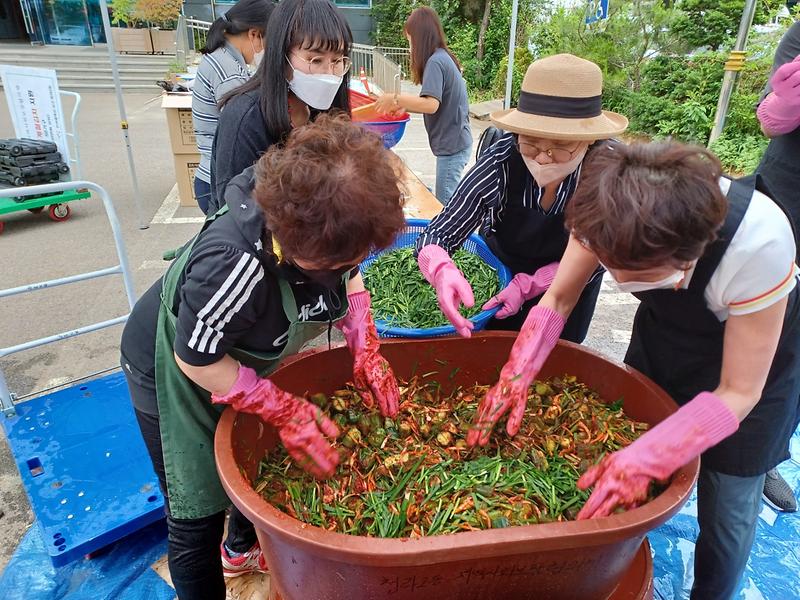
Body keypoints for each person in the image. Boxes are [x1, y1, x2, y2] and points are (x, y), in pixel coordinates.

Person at [468, 140, 800, 599]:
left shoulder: (759, 241)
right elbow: (560, 297)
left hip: (757, 360)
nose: (620, 284)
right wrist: (517, 374)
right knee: (637, 439)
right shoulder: (605, 206)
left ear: (686, 257)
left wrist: (654, 453)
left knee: (728, 503)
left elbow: (740, 391)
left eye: (638, 275)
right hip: (668, 338)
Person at [120, 114, 405, 599]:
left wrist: (364, 334)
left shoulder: (324, 224)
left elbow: (348, 267)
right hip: (173, 367)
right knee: (196, 515)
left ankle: (241, 550)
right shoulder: (235, 264)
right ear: (293, 241)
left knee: (252, 469)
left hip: (237, 352)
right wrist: (284, 408)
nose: (345, 269)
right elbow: (197, 357)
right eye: (333, 263)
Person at [414, 54, 628, 340]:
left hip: (572, 287)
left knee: (561, 365)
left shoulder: (608, 174)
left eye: (560, 145)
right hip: (503, 276)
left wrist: (535, 283)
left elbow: (607, 251)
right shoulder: (501, 161)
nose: (542, 157)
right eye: (530, 141)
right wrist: (441, 269)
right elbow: (439, 233)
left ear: (590, 139)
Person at [209, 0, 352, 211]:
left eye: (338, 60)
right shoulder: (245, 118)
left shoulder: (319, 110)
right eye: (315, 60)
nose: (329, 73)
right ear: (281, 55)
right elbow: (235, 213)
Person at [755, 20, 800, 513]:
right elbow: (768, 116)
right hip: (788, 203)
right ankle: (752, 454)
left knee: (794, 362)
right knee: (771, 333)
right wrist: (780, 107)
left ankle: (769, 450)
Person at [373, 6, 472, 205]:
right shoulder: (443, 56)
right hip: (457, 142)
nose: (410, 48)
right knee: (447, 200)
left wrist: (395, 98)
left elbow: (431, 105)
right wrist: (405, 106)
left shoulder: (435, 62)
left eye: (410, 41)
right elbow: (432, 102)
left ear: (420, 38)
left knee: (444, 205)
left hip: (452, 146)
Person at [191, 0, 275, 214]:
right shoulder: (230, 72)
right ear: (255, 35)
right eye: (271, 42)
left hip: (209, 176)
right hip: (217, 183)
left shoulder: (219, 57)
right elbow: (243, 123)